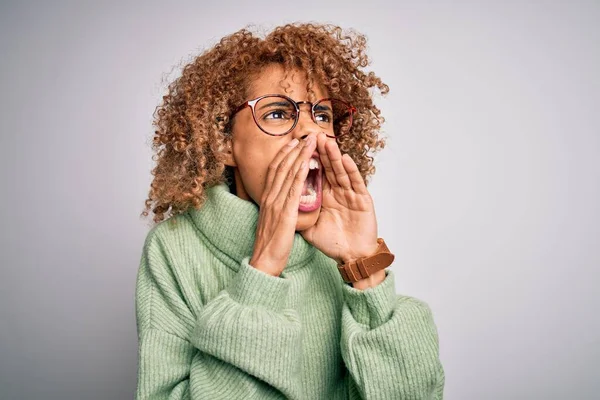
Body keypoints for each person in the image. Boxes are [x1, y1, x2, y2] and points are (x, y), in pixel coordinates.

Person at [136, 22, 445, 399]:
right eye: (278, 114)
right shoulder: (173, 249)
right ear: (223, 143)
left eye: (322, 115)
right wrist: (264, 267)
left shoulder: (339, 247)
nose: (310, 133)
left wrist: (364, 266)